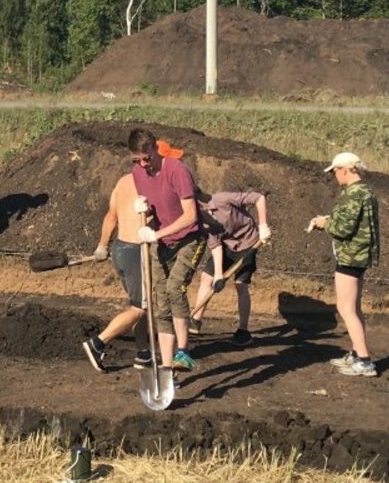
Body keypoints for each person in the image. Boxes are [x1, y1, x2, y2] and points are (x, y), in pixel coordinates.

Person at [127, 127, 205, 373]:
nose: (142, 165)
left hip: (188, 238)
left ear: (154, 149)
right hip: (161, 243)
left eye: (146, 158)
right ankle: (167, 367)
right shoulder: (137, 174)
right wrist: (144, 210)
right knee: (160, 303)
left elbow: (190, 216)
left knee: (174, 288)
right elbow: (153, 207)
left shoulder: (177, 170)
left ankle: (183, 351)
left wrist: (156, 233)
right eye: (136, 160)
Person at [310, 151, 381, 378]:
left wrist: (324, 223)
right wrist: (331, 220)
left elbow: (343, 229)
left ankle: (364, 360)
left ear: (346, 169)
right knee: (354, 307)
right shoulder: (366, 192)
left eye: (335, 171)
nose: (334, 175)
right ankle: (356, 353)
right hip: (359, 256)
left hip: (350, 257)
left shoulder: (352, 195)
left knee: (345, 308)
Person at [80, 171, 147, 372]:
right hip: (136, 251)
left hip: (120, 248)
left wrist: (102, 246)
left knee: (142, 304)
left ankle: (143, 353)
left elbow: (111, 216)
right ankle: (98, 343)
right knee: (140, 308)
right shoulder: (152, 184)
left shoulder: (123, 181)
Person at [189, 190, 272, 345]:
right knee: (207, 277)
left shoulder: (223, 199)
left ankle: (243, 331)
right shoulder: (203, 219)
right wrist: (219, 275)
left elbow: (259, 198)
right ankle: (195, 321)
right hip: (226, 247)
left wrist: (263, 226)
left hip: (249, 243)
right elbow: (215, 246)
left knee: (241, 285)